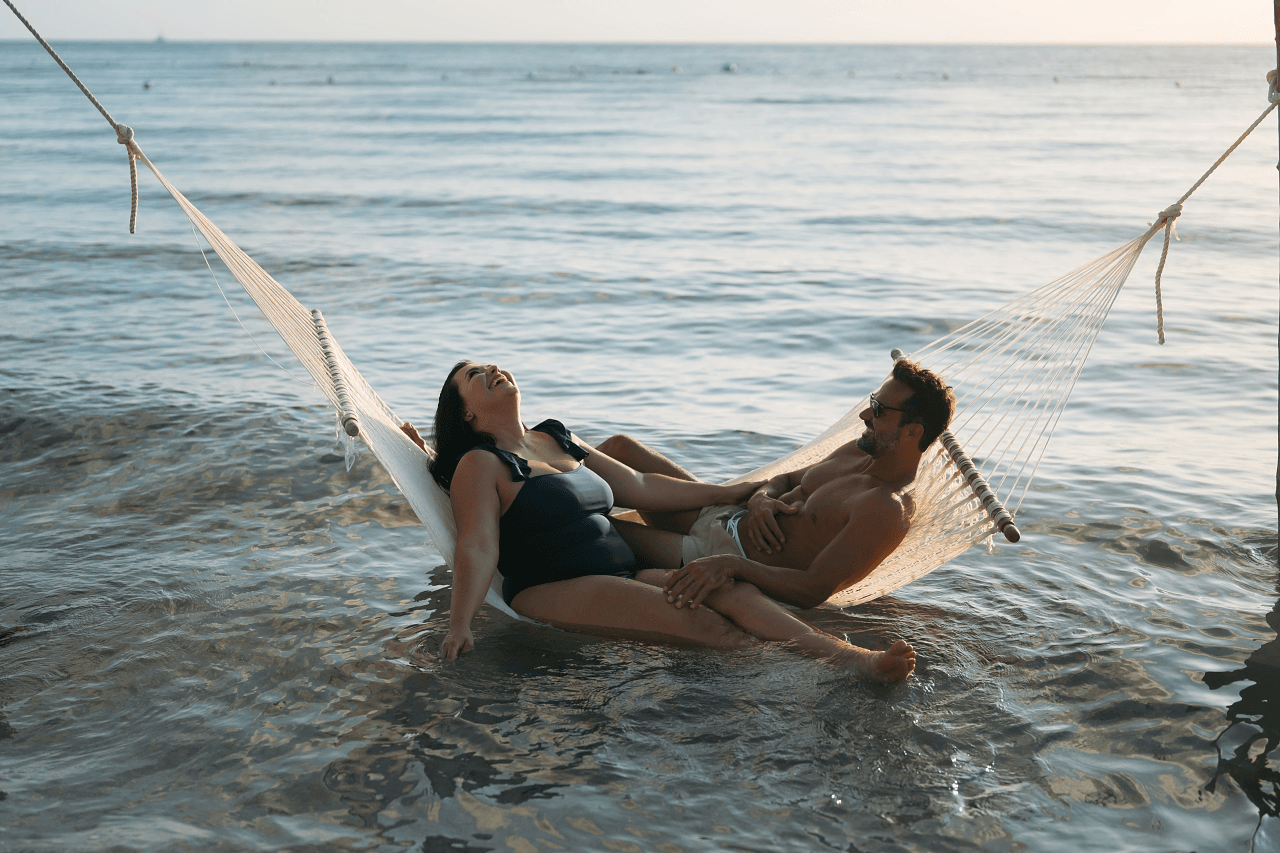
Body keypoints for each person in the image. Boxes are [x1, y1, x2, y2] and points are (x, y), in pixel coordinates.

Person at [401, 360, 916, 682]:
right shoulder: (480, 464)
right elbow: (477, 545)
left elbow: (641, 486)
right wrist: (460, 624)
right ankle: (814, 684)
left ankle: (849, 658)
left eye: (489, 363)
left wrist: (734, 491)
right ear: (466, 414)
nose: (491, 369)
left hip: (624, 568)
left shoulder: (554, 436)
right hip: (554, 585)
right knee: (707, 626)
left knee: (728, 591)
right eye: (473, 376)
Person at [598, 358, 955, 611]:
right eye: (872, 402)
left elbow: (813, 589)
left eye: (878, 411)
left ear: (913, 431)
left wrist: (733, 566)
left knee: (595, 528)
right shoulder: (858, 450)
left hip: (719, 554)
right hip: (725, 515)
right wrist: (763, 498)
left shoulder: (885, 509)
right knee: (620, 448)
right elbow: (784, 479)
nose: (864, 415)